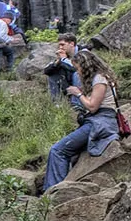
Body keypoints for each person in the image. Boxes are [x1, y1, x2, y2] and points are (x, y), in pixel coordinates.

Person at [40, 51, 124, 192]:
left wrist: (77, 93)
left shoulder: (99, 79)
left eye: (78, 68)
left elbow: (92, 106)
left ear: (85, 66)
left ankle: (52, 191)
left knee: (57, 150)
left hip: (100, 122)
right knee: (71, 155)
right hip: (100, 120)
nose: (77, 72)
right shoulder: (103, 77)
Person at [43, 34, 83, 102]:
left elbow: (77, 69)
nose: (60, 47)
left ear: (72, 44)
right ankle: (57, 103)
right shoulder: (65, 54)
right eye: (59, 45)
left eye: (63, 45)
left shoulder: (83, 52)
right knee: (53, 73)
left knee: (76, 74)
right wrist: (58, 62)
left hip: (84, 84)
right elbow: (46, 71)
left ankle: (77, 103)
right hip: (69, 84)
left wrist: (64, 59)